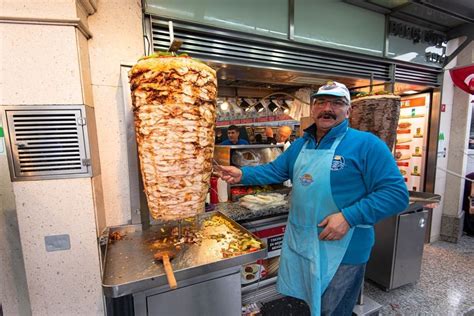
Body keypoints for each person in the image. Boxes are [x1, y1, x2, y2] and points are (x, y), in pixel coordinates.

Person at [218, 81, 409, 315]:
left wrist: (349, 217)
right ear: (313, 109)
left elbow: (397, 194)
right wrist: (242, 174)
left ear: (348, 111)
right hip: (304, 243)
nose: (327, 108)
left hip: (344, 249)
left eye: (337, 103)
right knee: (307, 304)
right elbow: (276, 171)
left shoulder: (367, 144)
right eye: (321, 102)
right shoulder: (301, 144)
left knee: (333, 310)